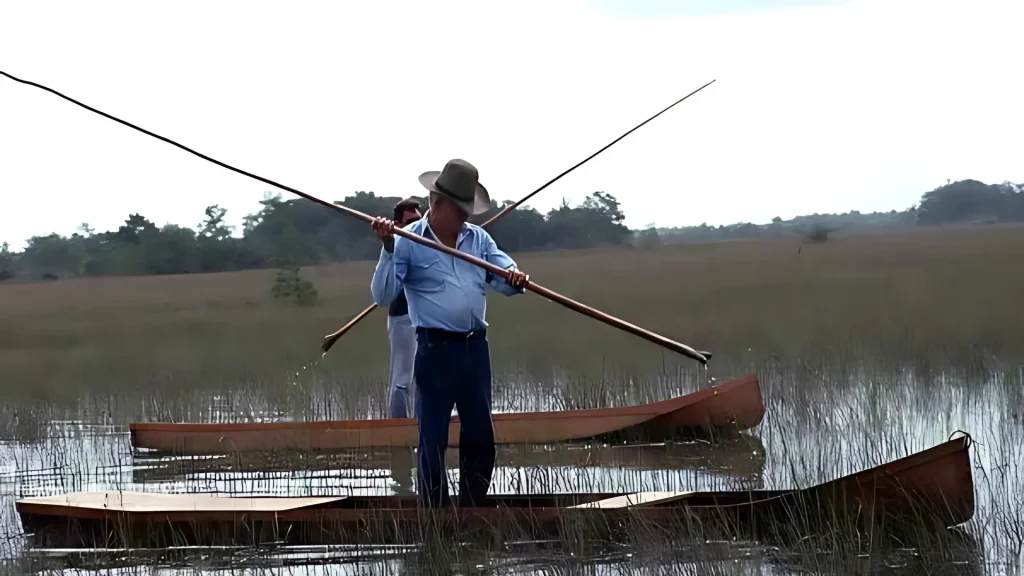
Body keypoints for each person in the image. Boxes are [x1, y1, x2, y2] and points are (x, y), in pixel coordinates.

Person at [369, 158, 529, 508]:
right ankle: (436, 518)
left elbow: (503, 272)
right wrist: (387, 248)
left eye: (467, 209)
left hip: (475, 351)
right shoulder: (407, 241)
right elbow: (382, 296)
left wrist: (513, 276)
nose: (465, 217)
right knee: (432, 440)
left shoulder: (478, 239)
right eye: (459, 210)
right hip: (434, 350)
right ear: (437, 204)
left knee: (481, 438)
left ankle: (471, 511)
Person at [386, 197, 423, 420]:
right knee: (402, 377)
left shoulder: (423, 243)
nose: (415, 227)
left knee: (423, 376)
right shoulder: (397, 247)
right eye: (410, 222)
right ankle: (397, 428)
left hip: (423, 317)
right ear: (398, 225)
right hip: (402, 317)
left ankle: (419, 425)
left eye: (418, 220)